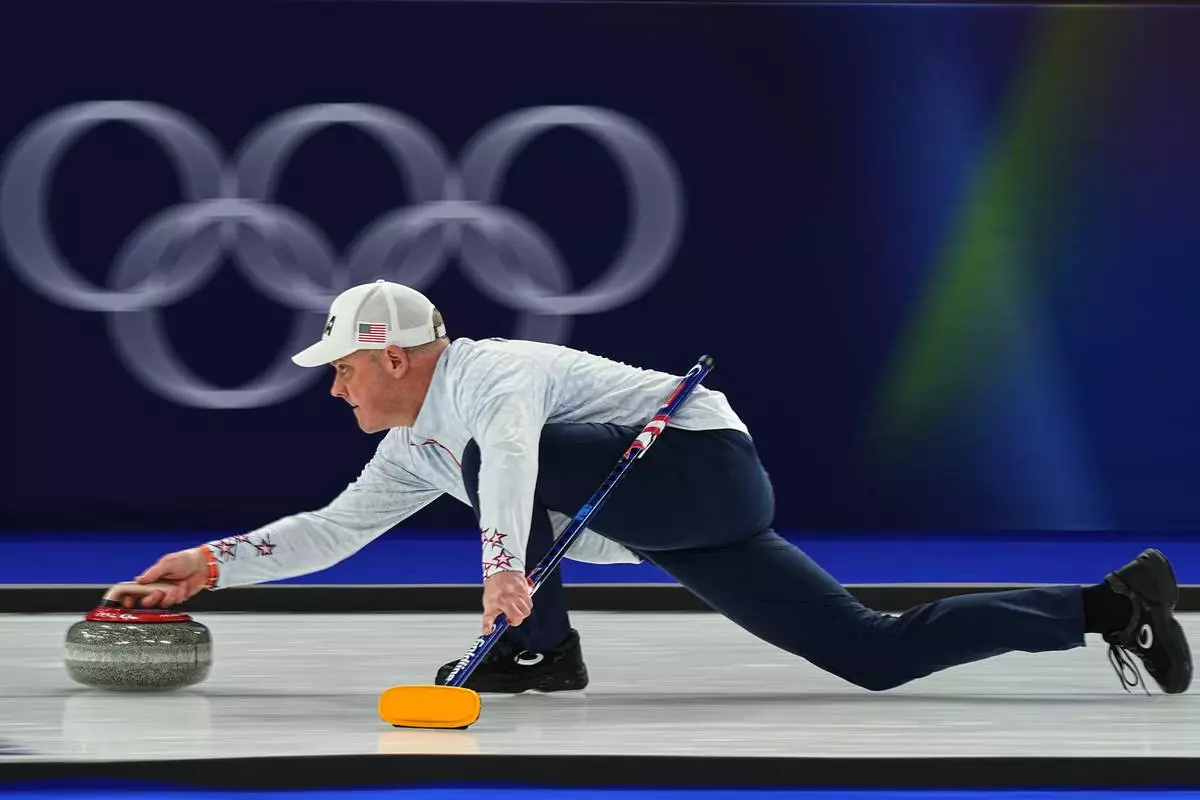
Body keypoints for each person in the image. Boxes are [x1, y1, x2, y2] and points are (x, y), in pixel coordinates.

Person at [113, 279, 1192, 696]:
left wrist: (503, 577)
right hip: (669, 519)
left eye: (343, 366)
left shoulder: (496, 375)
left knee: (496, 464)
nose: (334, 385)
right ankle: (1111, 604)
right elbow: (332, 529)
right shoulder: (411, 447)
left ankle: (542, 650)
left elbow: (514, 457)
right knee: (872, 654)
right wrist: (212, 562)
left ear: (395, 354)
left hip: (698, 466)